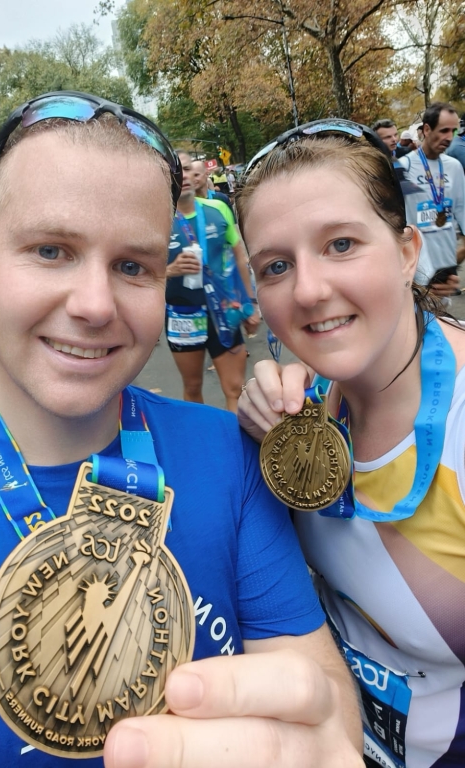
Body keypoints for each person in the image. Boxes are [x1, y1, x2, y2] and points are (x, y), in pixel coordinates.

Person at [0, 93, 362, 767]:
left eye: (134, 266)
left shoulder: (227, 457)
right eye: (51, 250)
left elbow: (322, 706)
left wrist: (320, 738)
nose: (93, 305)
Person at [233, 119, 465, 767]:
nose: (307, 290)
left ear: (407, 249)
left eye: (340, 244)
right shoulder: (302, 408)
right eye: (276, 265)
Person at [166, 151, 259, 411]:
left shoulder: (218, 208)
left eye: (186, 169)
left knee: (234, 387)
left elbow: (240, 257)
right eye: (176, 170)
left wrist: (251, 303)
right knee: (193, 388)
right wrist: (170, 270)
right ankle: (202, 445)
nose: (182, 176)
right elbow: (142, 274)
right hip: (183, 315)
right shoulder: (158, 220)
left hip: (225, 310)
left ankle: (234, 446)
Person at [398, 102, 465, 298]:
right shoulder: (404, 167)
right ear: (426, 129)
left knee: (443, 325)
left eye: (453, 131)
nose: (449, 138)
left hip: (446, 271)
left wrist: (457, 259)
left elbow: (461, 211)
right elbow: (394, 221)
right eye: (443, 130)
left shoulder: (454, 167)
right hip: (415, 271)